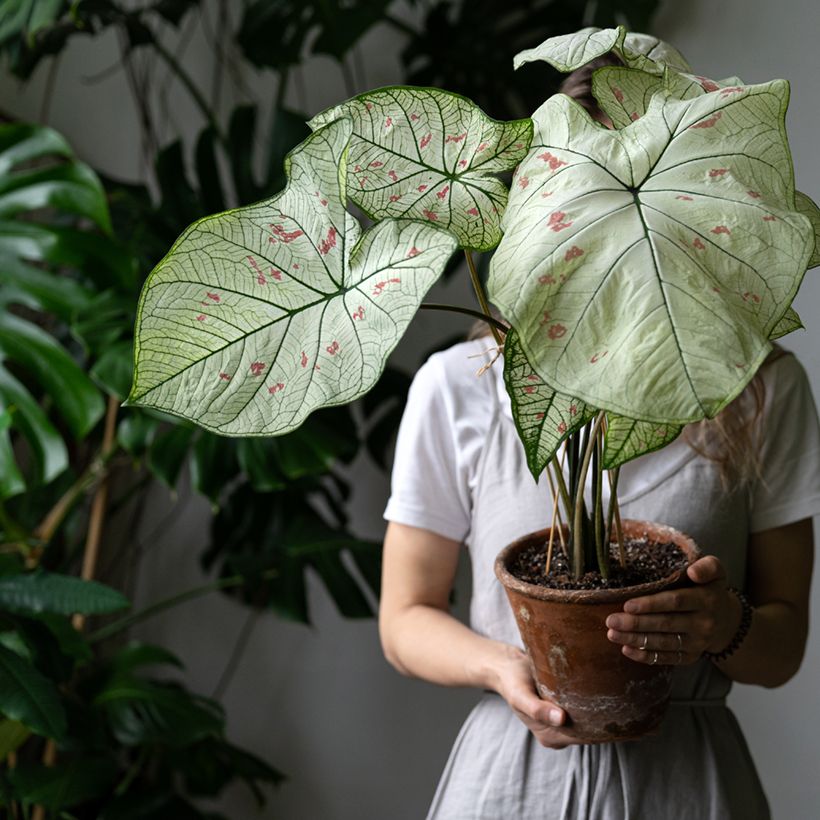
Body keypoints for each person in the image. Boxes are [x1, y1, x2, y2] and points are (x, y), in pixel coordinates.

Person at [378, 57, 820, 820]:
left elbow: (782, 651)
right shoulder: (464, 384)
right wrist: (509, 671)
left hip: (687, 783)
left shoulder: (758, 386)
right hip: (513, 779)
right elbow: (403, 619)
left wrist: (724, 623)